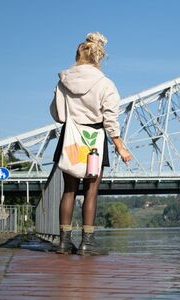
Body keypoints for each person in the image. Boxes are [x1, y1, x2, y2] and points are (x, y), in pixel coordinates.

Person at [50, 32, 132, 255]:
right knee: (91, 192)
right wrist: (120, 146)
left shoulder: (63, 80)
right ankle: (88, 243)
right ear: (99, 57)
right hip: (94, 140)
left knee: (69, 191)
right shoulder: (106, 84)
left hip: (70, 137)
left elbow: (57, 114)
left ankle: (64, 243)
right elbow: (110, 118)